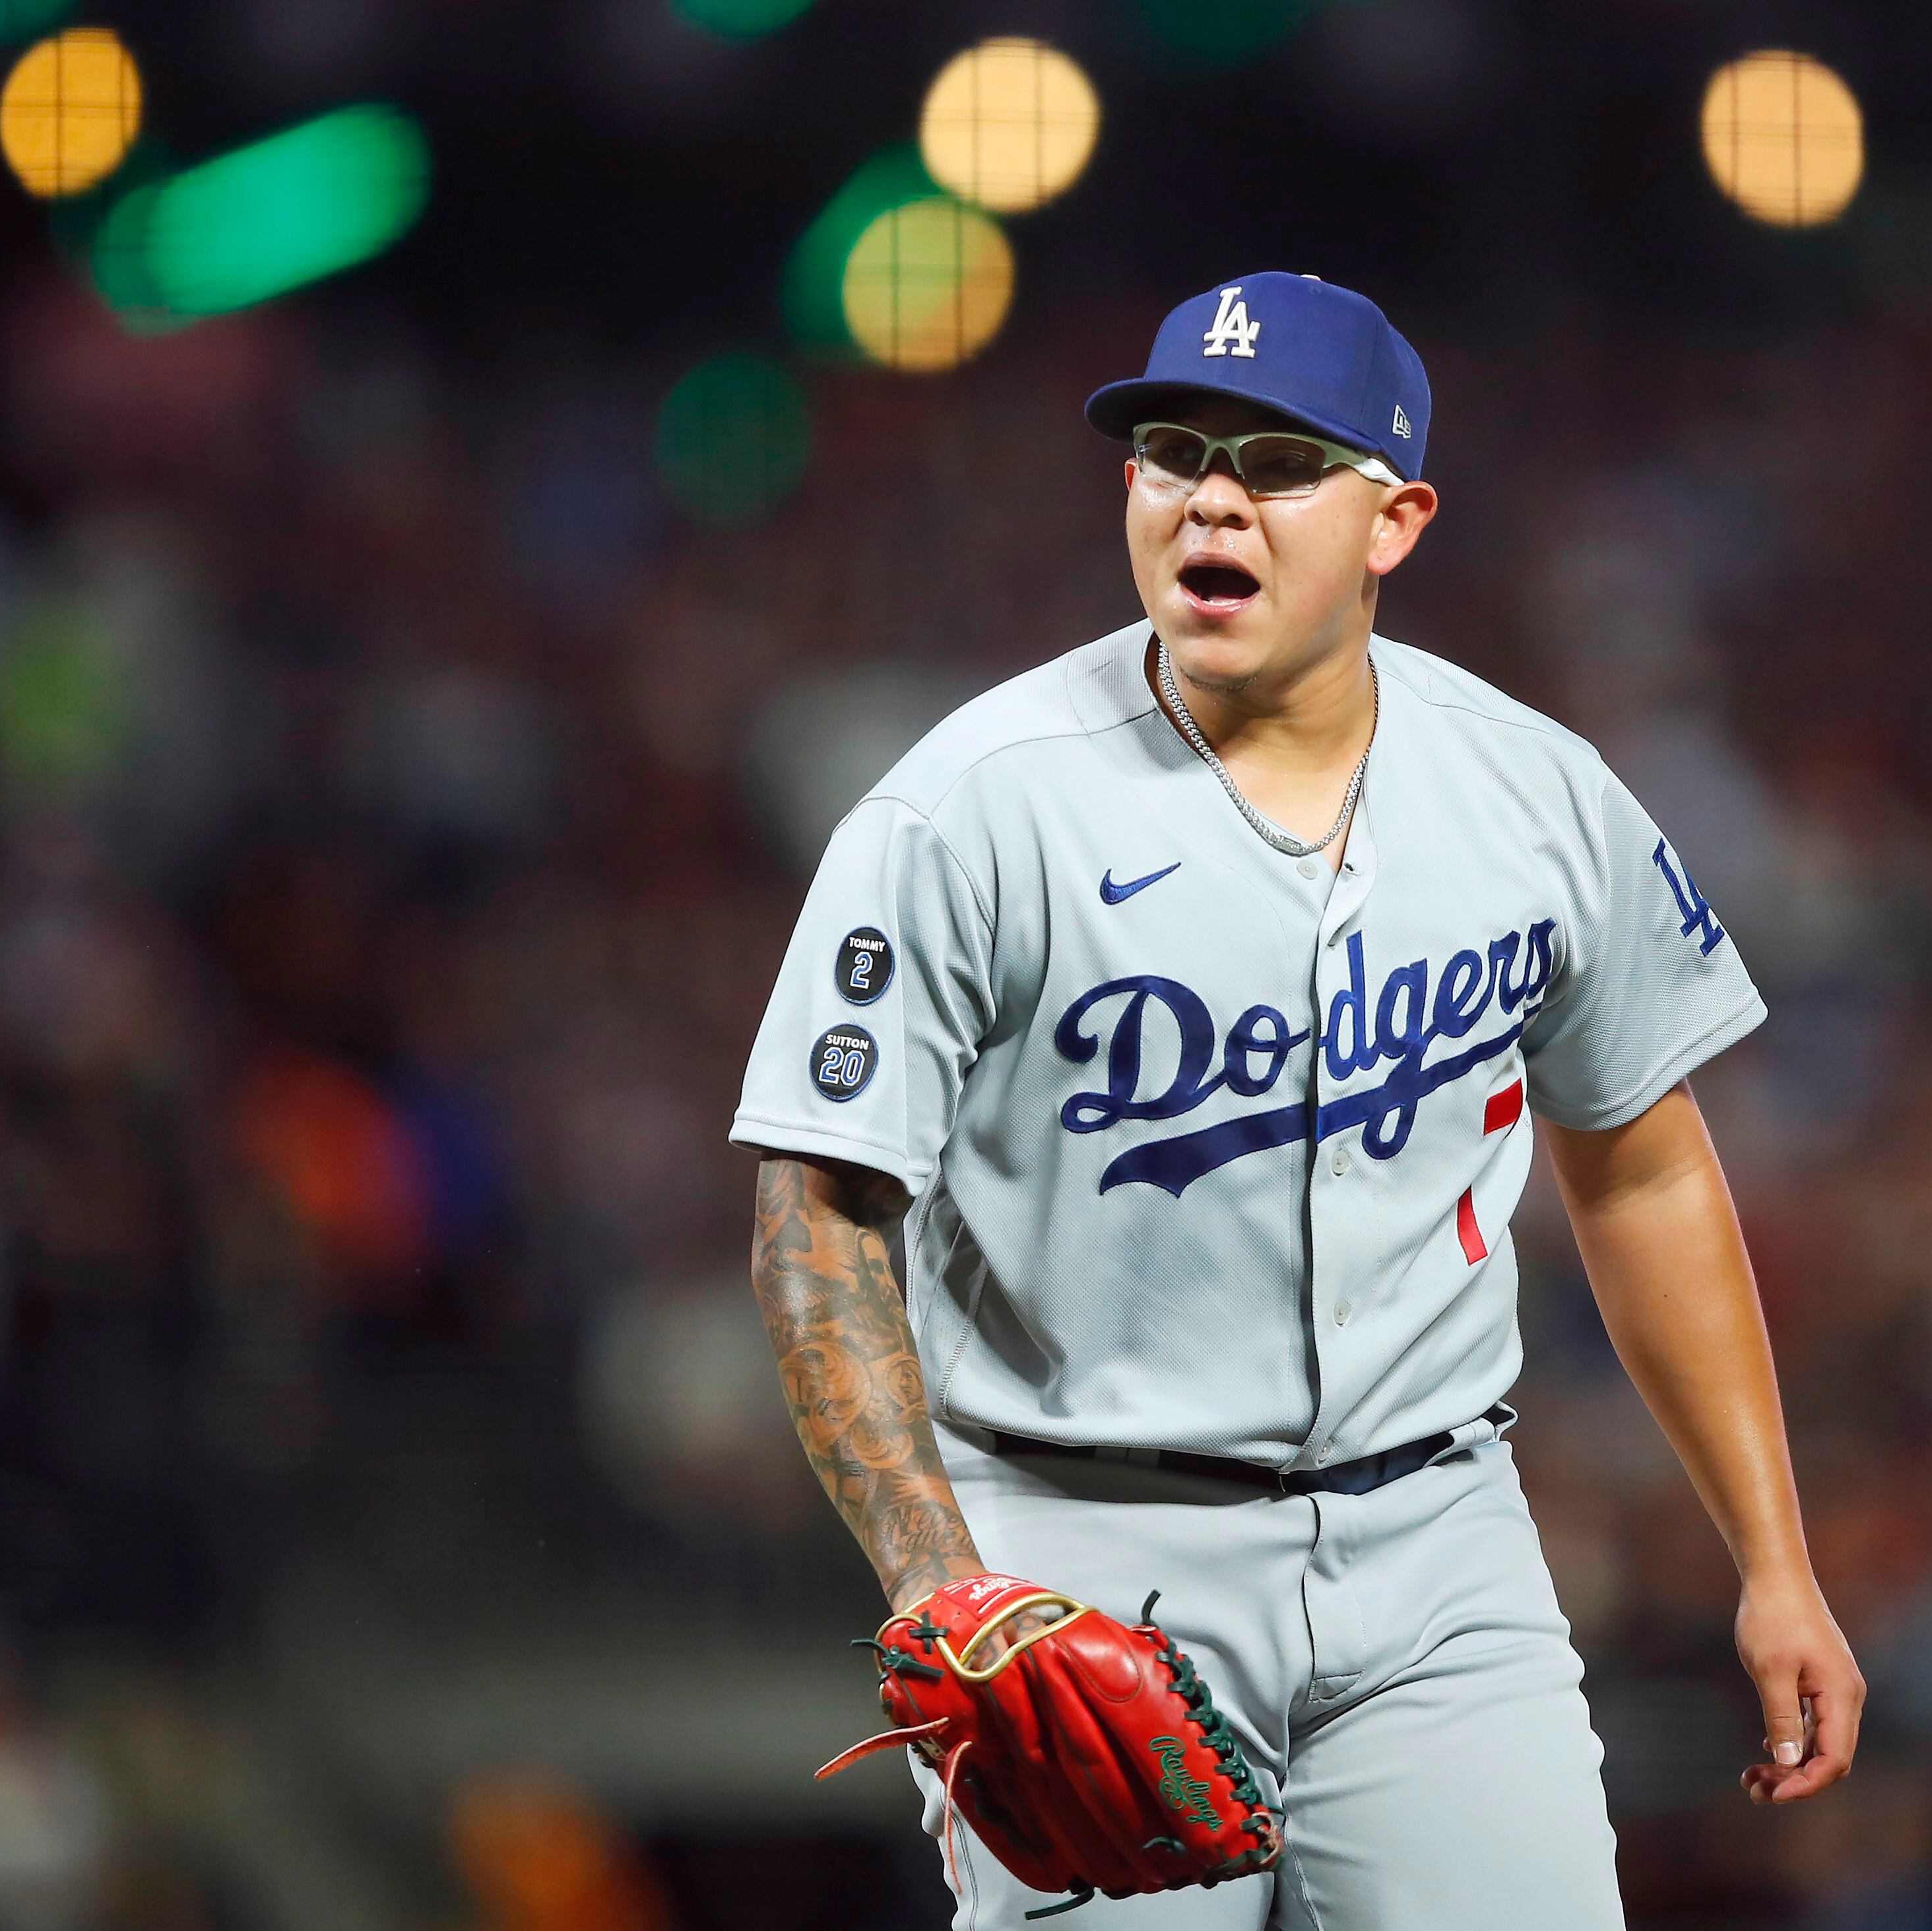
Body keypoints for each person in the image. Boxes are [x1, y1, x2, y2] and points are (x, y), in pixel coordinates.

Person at [732, 271, 1862, 1928]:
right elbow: (815, 1214)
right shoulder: (967, 812)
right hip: (1075, 1552)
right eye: (1171, 449)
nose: (1208, 494)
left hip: (1438, 1545)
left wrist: (1773, 1557)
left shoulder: (1536, 794)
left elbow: (1641, 1169)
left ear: (1394, 518)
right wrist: (942, 1576)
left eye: (1273, 461)